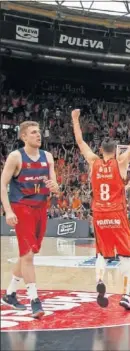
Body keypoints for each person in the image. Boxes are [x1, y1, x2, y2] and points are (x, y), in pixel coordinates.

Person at [72, 108, 130, 311]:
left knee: (101, 252)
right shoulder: (120, 163)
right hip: (116, 213)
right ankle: (126, 295)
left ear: (101, 151)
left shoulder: (93, 162)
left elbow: (80, 142)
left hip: (99, 213)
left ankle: (100, 279)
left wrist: (75, 119)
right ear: (116, 151)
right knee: (126, 255)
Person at [0, 121, 60, 318]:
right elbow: (2, 183)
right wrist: (8, 211)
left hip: (41, 208)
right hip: (22, 207)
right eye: (33, 132)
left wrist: (55, 187)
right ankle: (34, 300)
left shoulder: (48, 157)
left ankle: (9, 294)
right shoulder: (16, 157)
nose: (38, 135)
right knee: (27, 256)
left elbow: (56, 187)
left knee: (28, 253)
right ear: (23, 137)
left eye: (39, 132)